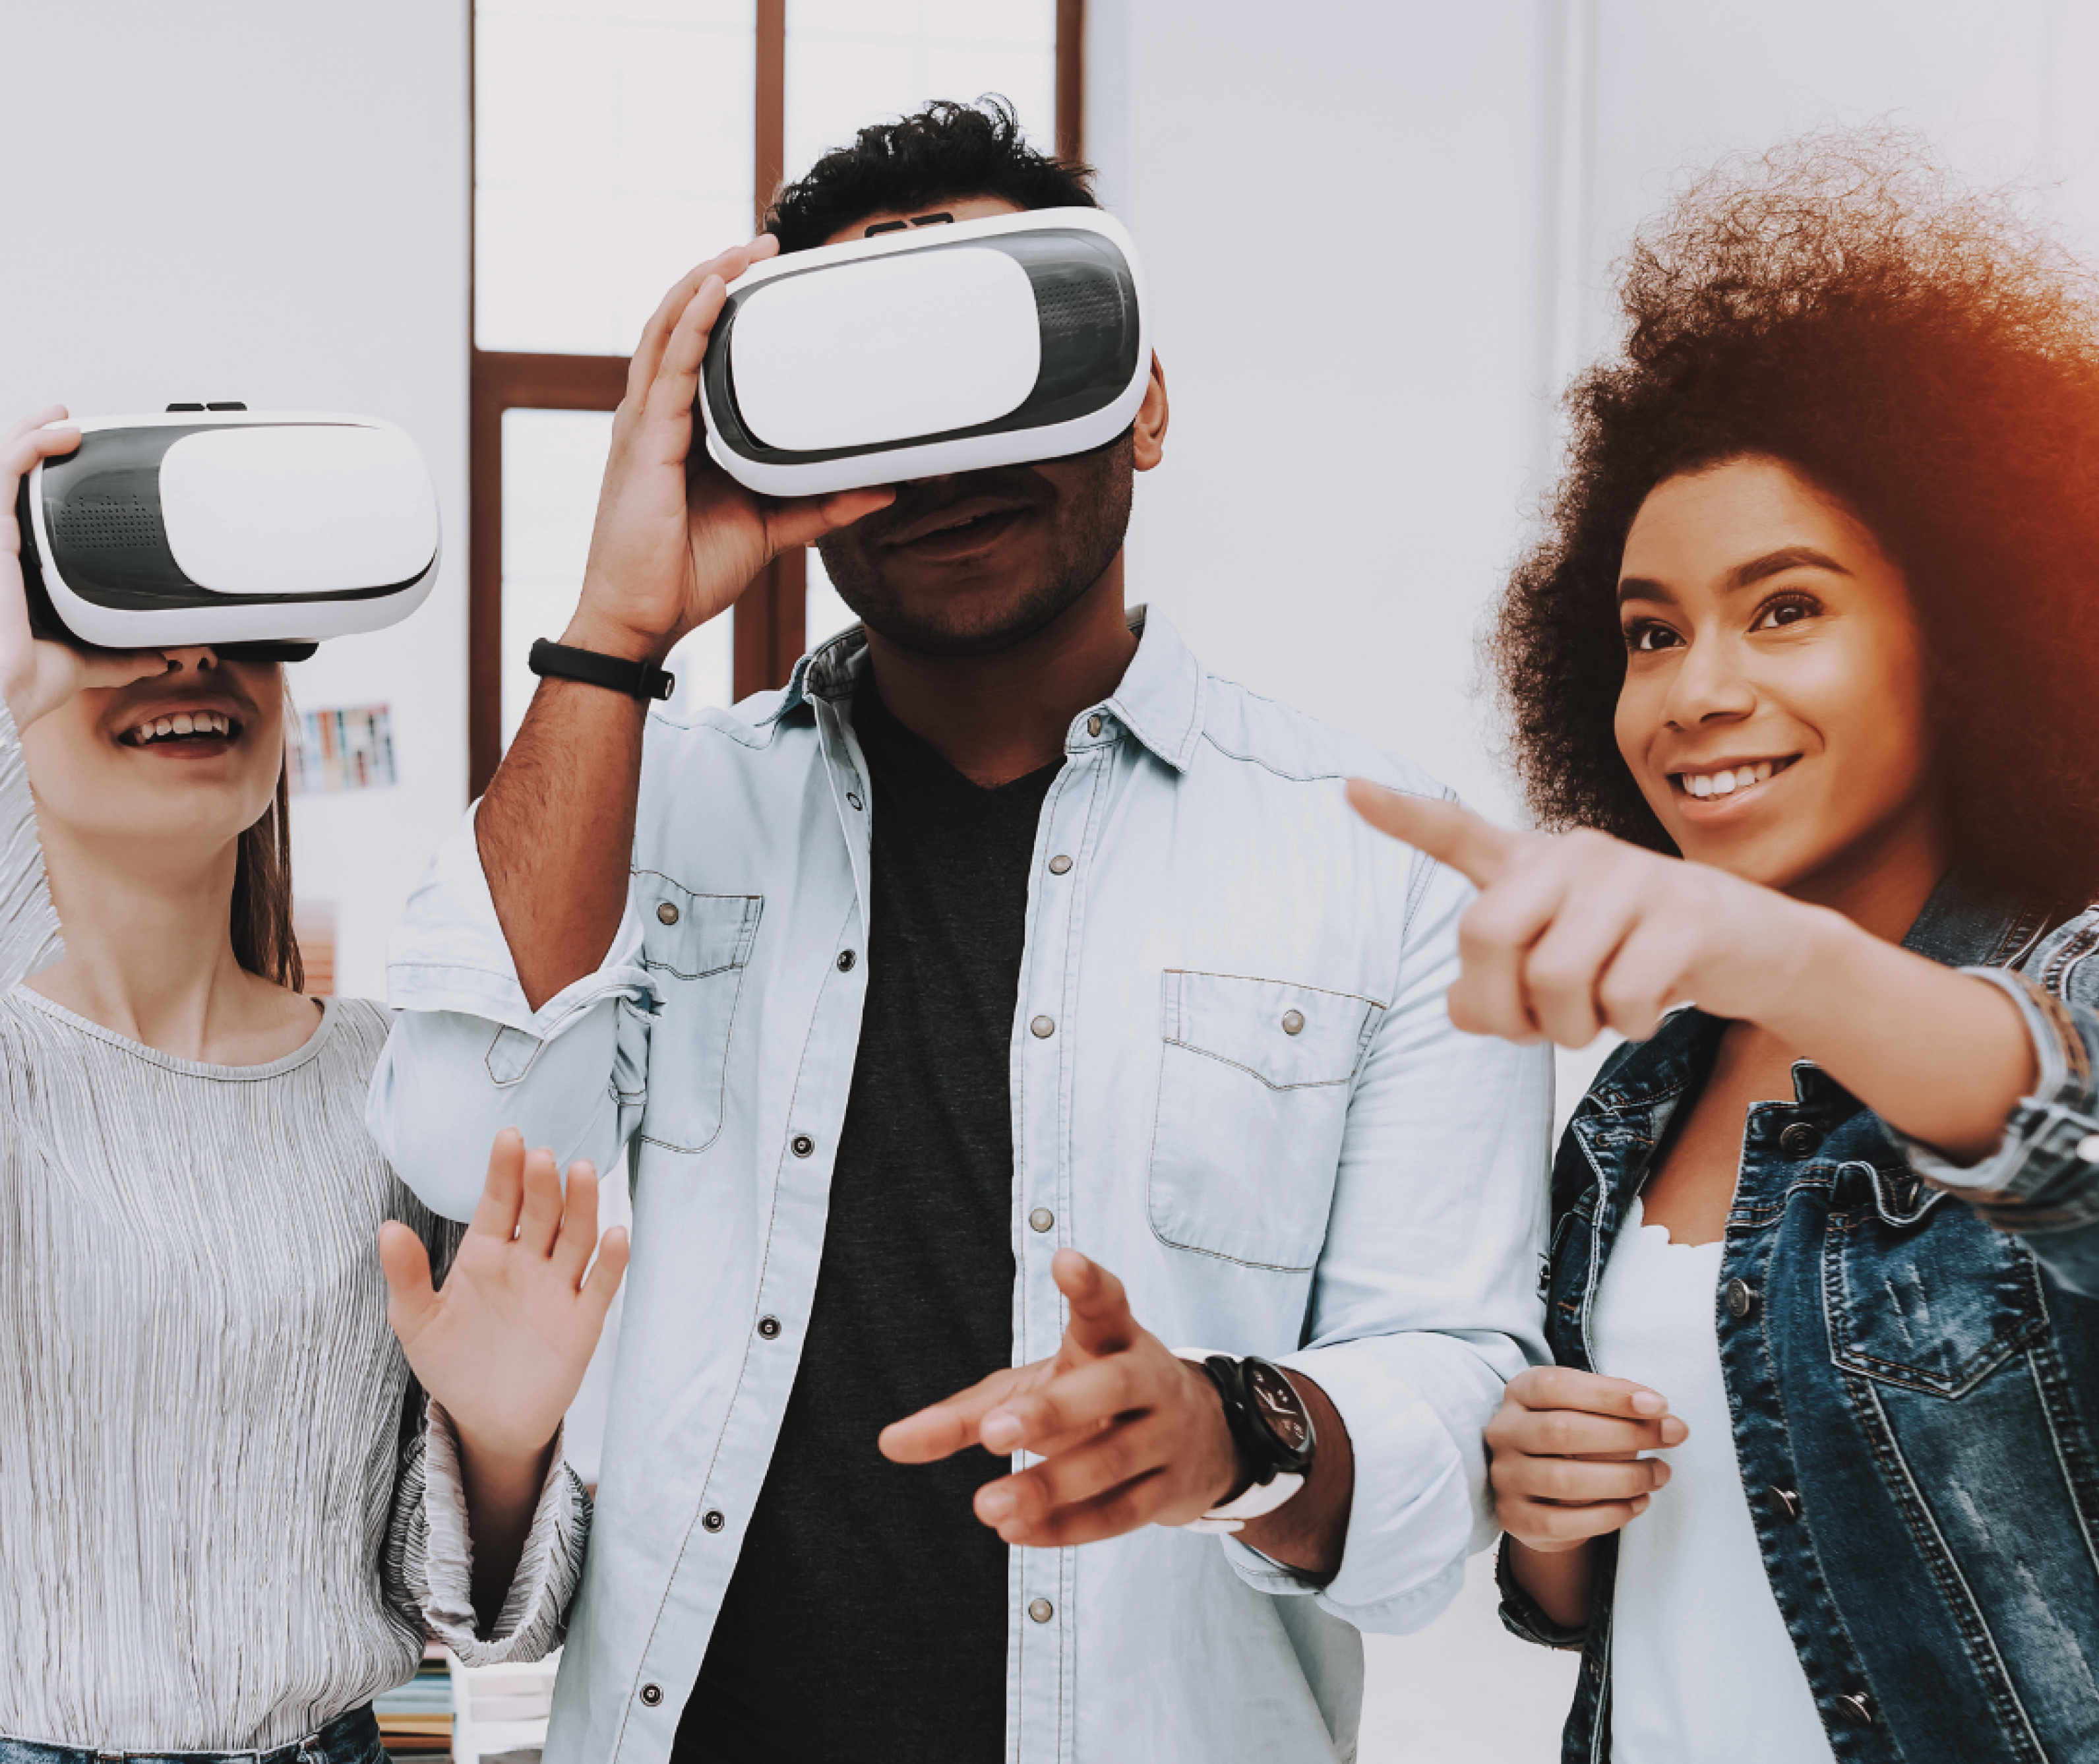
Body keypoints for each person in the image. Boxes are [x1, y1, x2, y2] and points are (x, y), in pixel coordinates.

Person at [367, 100, 1550, 1764]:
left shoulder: (1396, 863)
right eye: (874, 398)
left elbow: (1453, 1397)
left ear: (1140, 401)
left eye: (1007, 360)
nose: (943, 458)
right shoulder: (660, 808)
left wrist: (1231, 1428)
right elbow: (468, 1146)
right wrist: (616, 625)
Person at [1350, 137, 2099, 1764]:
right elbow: (1646, 1589)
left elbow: (2066, 1145)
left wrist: (1784, 958)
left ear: (1961, 631)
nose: (1692, 690)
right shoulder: (1639, 1092)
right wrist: (1550, 1523)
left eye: (1783, 608)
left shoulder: (2071, 980)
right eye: (1648, 631)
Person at [0, 407, 628, 1764]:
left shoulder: (391, 1082)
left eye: (241, 625)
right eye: (119, 617)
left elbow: (482, 1617)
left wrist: (505, 1441)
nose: (189, 656)